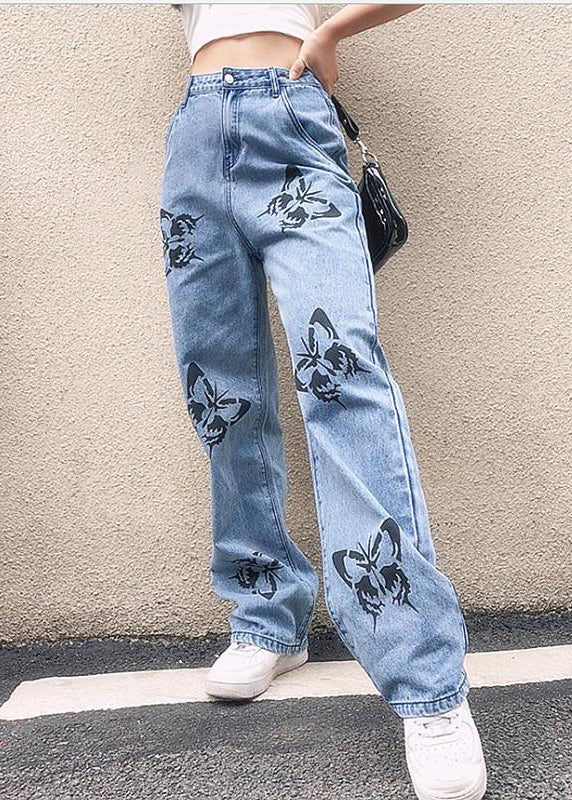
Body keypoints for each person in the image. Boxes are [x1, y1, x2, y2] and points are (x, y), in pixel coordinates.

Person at [161, 5, 487, 799]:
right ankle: (267, 614)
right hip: (196, 137)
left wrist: (333, 32)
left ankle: (427, 686)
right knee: (222, 398)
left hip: (294, 121)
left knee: (342, 379)